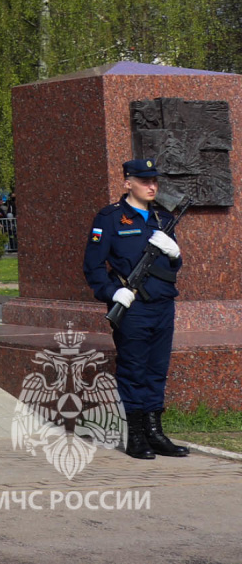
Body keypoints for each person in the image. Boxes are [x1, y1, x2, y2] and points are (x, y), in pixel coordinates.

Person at [83, 154, 191, 460]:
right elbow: (92, 266)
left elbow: (172, 264)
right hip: (132, 308)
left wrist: (175, 253)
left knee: (157, 370)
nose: (151, 186)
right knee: (133, 371)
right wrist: (112, 292)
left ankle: (156, 433)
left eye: (154, 181)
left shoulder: (163, 219)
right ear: (128, 183)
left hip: (162, 304)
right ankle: (136, 435)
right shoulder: (110, 218)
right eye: (144, 181)